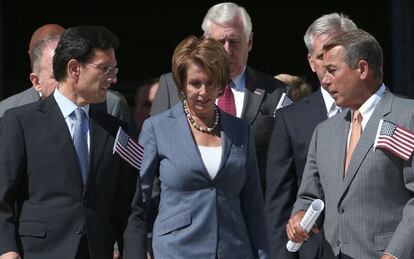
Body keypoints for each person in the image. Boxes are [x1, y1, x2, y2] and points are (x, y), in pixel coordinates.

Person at [0, 25, 146, 259]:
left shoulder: (117, 129)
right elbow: (2, 197)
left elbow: (130, 207)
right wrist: (6, 249)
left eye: (114, 69)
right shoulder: (19, 122)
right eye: (104, 68)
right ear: (74, 68)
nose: (114, 78)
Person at [123, 36, 268, 259]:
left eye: (210, 83)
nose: (203, 92)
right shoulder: (157, 128)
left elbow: (253, 206)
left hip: (234, 250)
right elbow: (139, 203)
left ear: (221, 84)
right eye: (195, 83)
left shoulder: (240, 130)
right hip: (176, 250)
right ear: (181, 84)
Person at [287, 29, 414, 259]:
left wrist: (396, 254)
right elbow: (308, 195)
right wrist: (299, 216)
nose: (325, 81)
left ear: (362, 69)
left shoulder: (407, 117)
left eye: (332, 71)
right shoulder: (324, 131)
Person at [150, 2, 288, 191]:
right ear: (204, 42)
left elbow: (284, 165)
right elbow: (153, 160)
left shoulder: (276, 93)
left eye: (234, 41)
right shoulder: (171, 85)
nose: (226, 50)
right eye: (219, 42)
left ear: (249, 42)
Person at [265, 13, 357, 259]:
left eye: (337, 55)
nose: (329, 66)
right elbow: (279, 202)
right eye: (321, 57)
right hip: (313, 250)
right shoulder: (290, 119)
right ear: (310, 62)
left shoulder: (382, 112)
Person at [0, 24, 135, 135]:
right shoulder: (10, 114)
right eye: (55, 75)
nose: (64, 80)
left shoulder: (111, 108)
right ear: (36, 81)